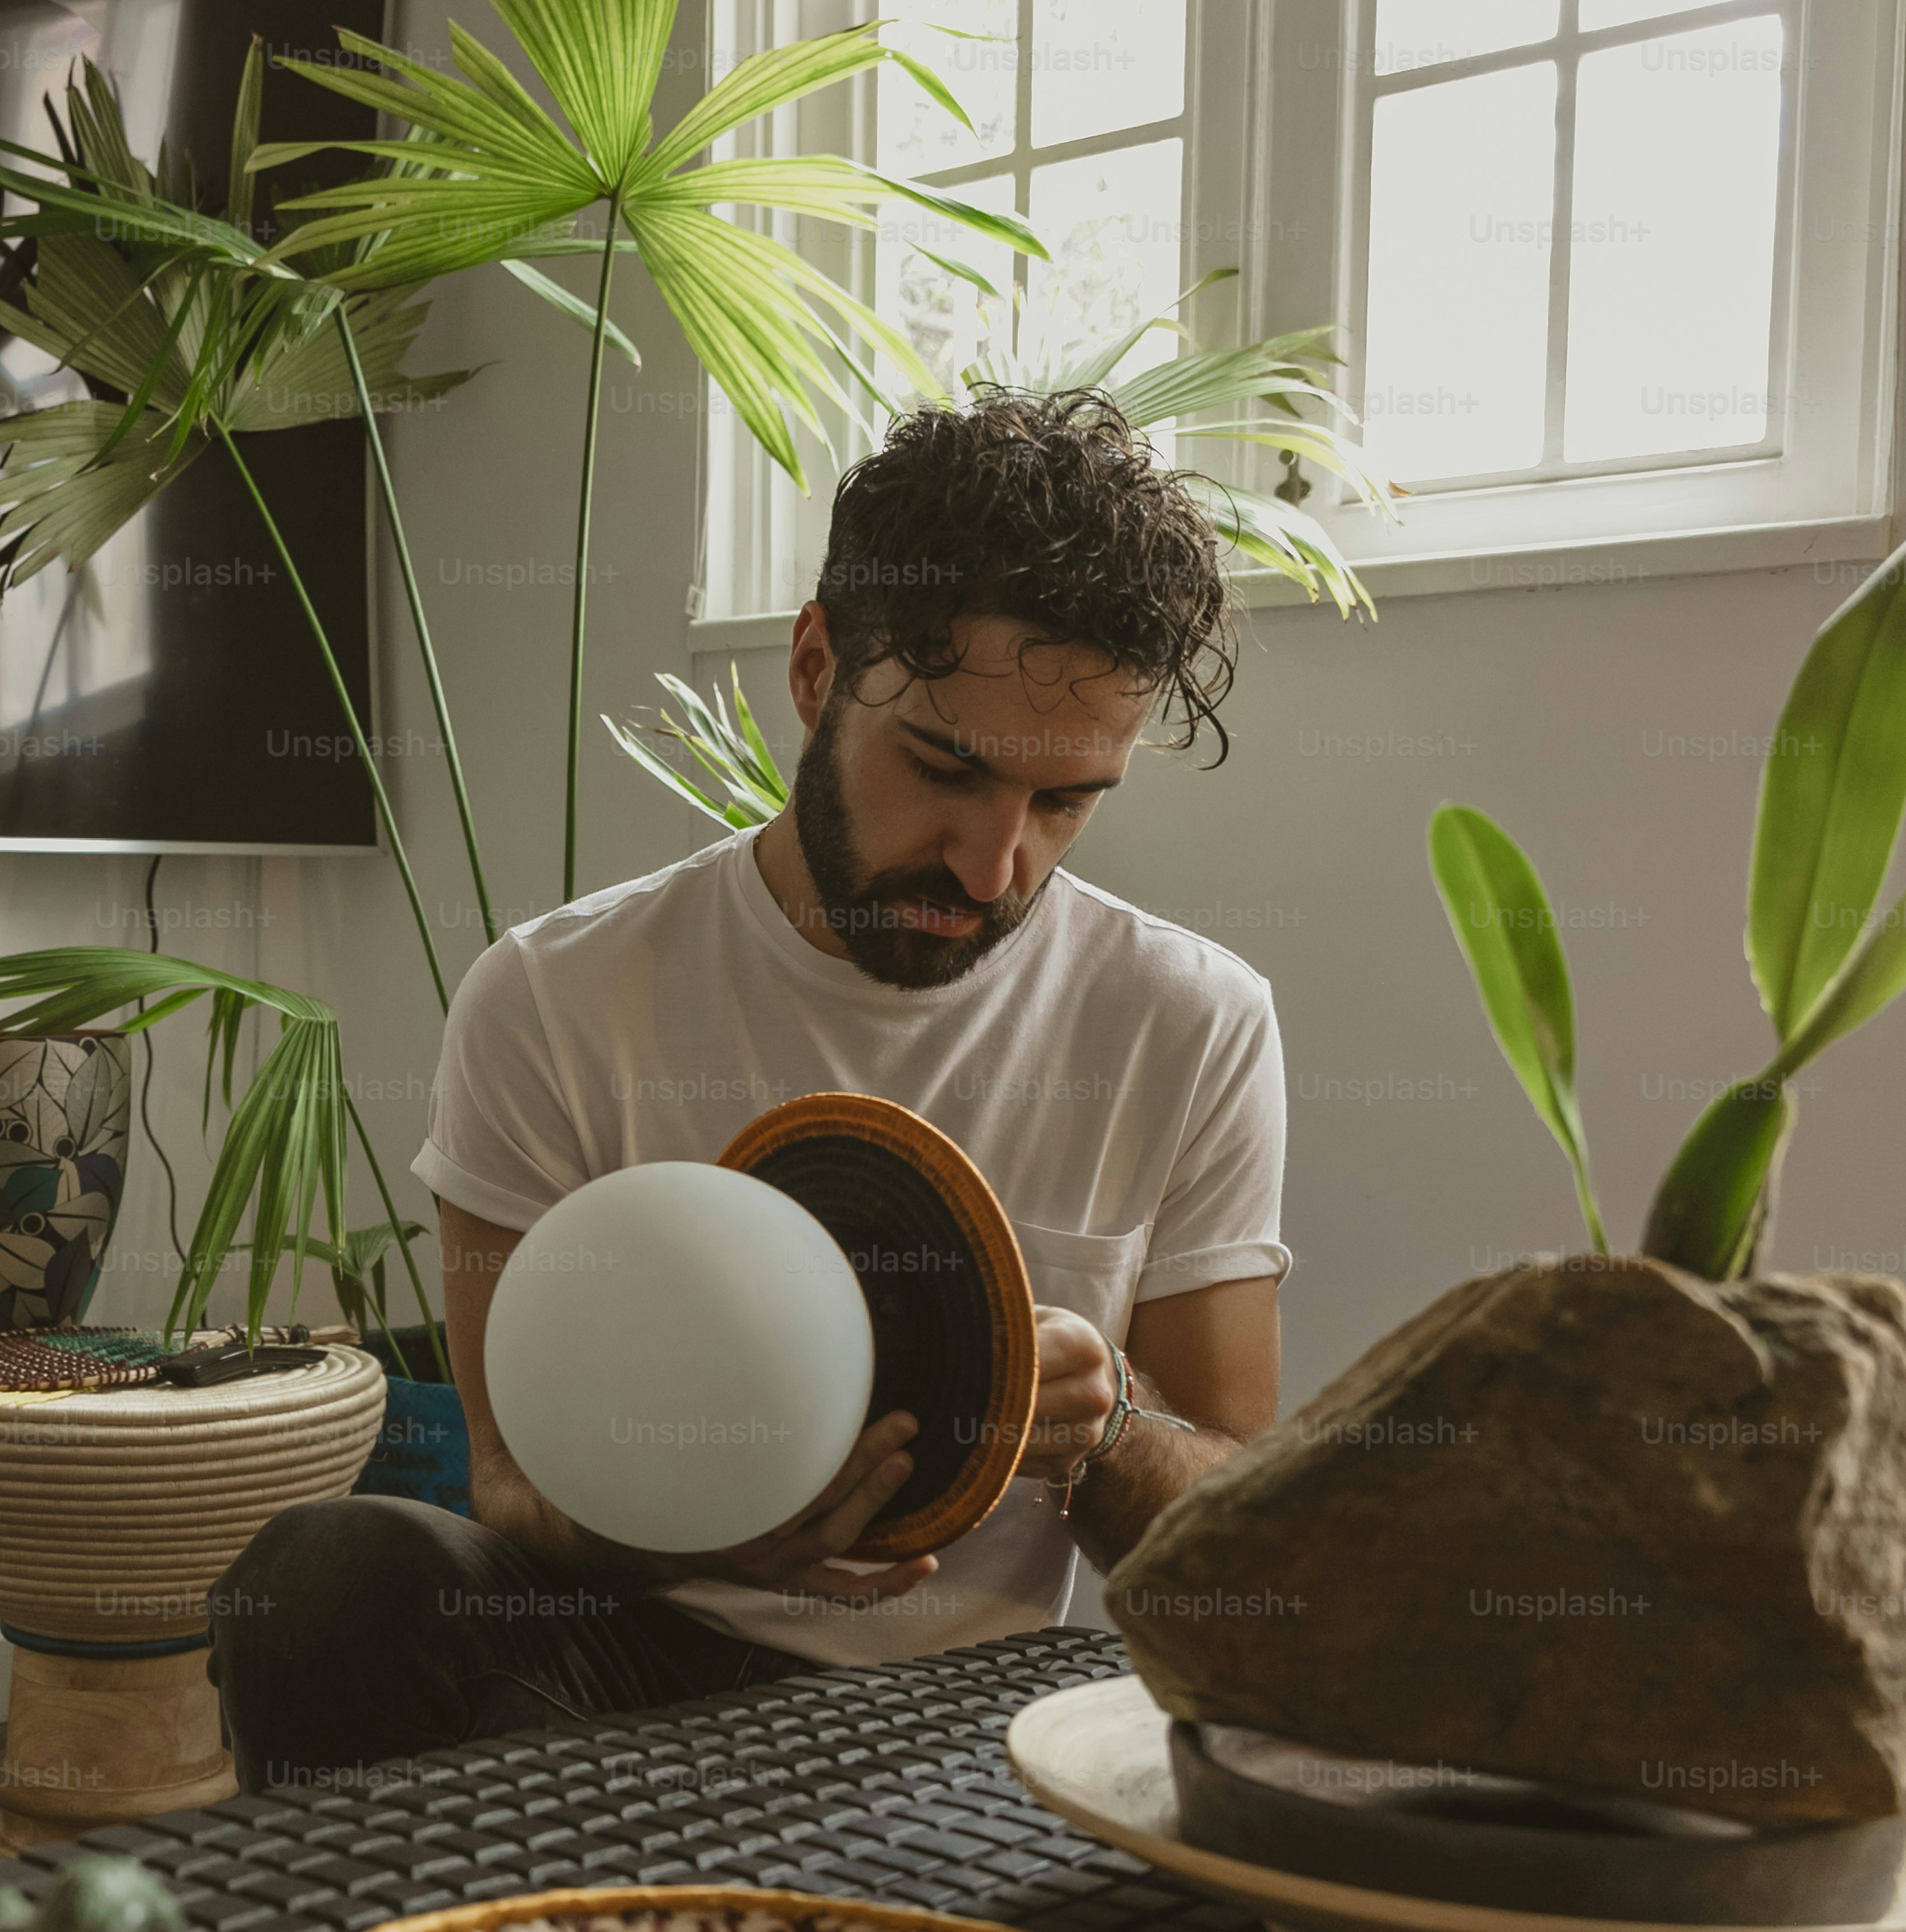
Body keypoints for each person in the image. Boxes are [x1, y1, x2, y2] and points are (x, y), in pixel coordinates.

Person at [211, 388, 1290, 1789]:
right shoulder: (555, 996)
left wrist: (1105, 1422)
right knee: (328, 1570)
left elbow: (1235, 1558)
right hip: (623, 1664)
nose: (990, 863)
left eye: (1063, 801)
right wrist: (704, 1534)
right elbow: (507, 1482)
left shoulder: (1187, 1020)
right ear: (812, 667)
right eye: (944, 768)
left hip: (966, 1719)